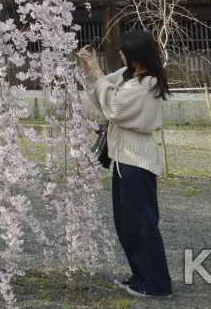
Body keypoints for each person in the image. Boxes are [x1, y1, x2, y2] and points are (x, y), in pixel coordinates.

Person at [79, 31, 172, 299]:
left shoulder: (147, 84)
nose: (120, 55)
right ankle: (141, 275)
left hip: (137, 161)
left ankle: (157, 284)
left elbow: (114, 108)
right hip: (123, 159)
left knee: (142, 223)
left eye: (124, 52)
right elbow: (102, 95)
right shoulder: (128, 76)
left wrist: (97, 72)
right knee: (126, 223)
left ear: (136, 55)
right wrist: (90, 72)